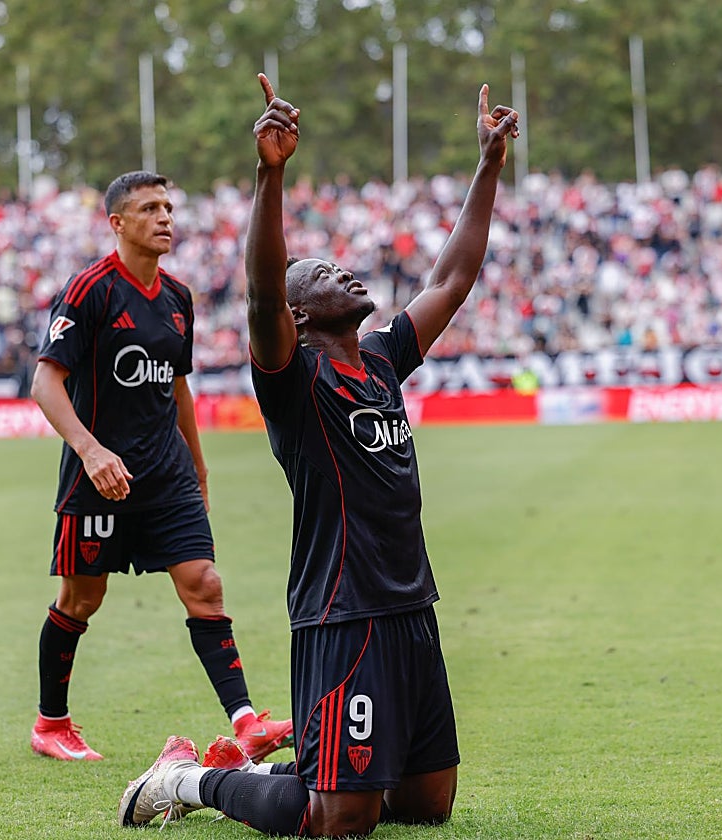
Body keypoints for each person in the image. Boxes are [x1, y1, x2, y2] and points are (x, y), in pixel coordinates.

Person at [118, 76, 518, 836]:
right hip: (344, 615)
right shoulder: (294, 380)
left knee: (426, 808)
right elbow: (263, 292)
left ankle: (296, 763)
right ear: (301, 315)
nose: (348, 272)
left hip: (410, 609)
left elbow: (452, 278)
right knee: (339, 822)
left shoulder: (381, 359)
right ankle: (189, 779)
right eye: (326, 274)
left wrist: (488, 166)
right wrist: (271, 175)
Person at [28, 170, 293, 763]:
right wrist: (91, 452)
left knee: (205, 584)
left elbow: (177, 390)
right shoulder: (88, 290)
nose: (165, 217)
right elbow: (45, 382)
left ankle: (245, 720)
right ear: (118, 224)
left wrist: (197, 468)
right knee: (81, 598)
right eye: (150, 208)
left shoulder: (178, 299)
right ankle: (51, 724)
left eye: (169, 207)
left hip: (167, 475)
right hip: (99, 479)